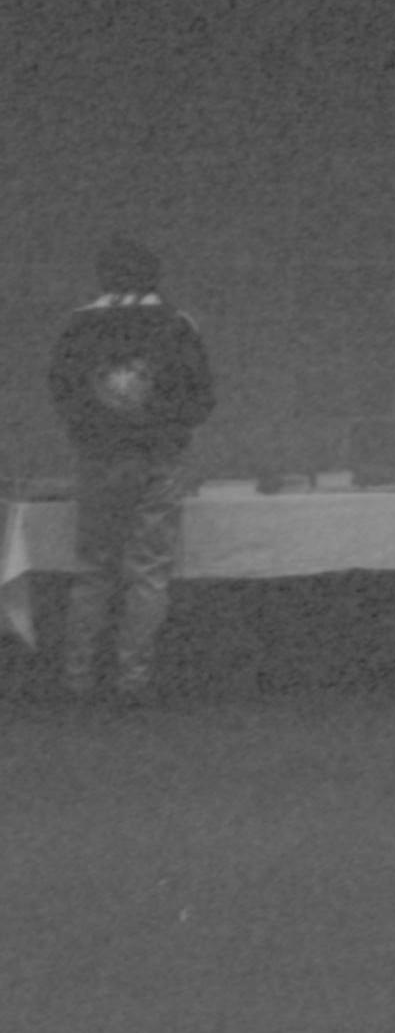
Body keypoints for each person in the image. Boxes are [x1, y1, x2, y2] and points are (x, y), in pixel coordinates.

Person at [49, 237, 217, 699]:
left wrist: (96, 433)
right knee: (147, 570)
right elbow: (201, 397)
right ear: (154, 274)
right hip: (158, 459)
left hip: (98, 459)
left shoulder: (78, 326)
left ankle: (77, 680)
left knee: (94, 568)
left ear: (102, 275)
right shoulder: (176, 324)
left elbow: (62, 394)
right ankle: (133, 681)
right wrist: (164, 429)